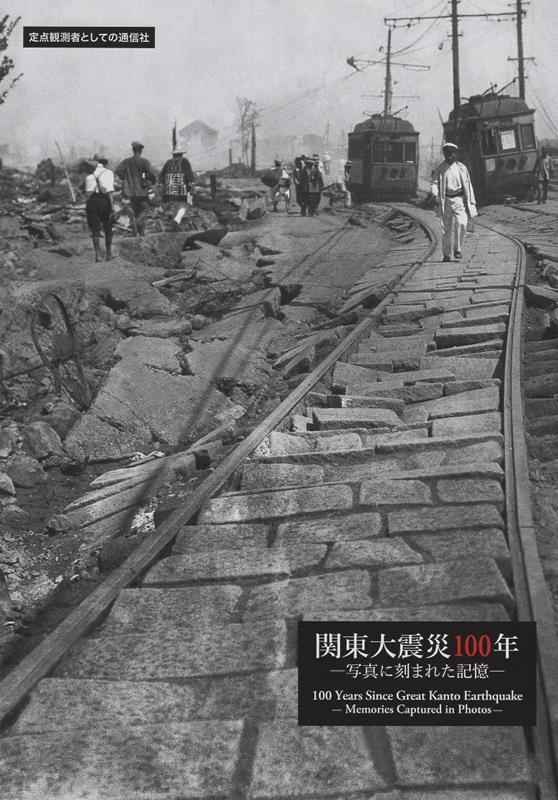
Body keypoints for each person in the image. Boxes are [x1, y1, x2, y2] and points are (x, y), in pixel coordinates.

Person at [430, 142, 477, 262]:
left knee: (462, 223)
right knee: (446, 228)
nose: (449, 156)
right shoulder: (440, 169)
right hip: (445, 201)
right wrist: (435, 194)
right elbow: (434, 183)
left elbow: (468, 185)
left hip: (459, 200)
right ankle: (446, 254)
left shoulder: (462, 168)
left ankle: (458, 249)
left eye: (451, 153)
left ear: (455, 154)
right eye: (447, 154)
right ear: (445, 155)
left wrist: (471, 202)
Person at [115, 141, 157, 236]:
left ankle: (140, 233)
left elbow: (118, 170)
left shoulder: (127, 161)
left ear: (133, 150)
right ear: (141, 150)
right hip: (142, 190)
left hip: (131, 191)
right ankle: (134, 224)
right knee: (145, 209)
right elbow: (150, 174)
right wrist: (151, 181)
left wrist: (125, 179)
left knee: (137, 211)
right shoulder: (144, 162)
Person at [84, 155, 115, 262]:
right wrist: (112, 206)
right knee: (108, 228)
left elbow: (87, 193)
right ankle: (109, 254)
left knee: (95, 229)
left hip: (92, 202)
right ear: (106, 162)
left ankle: (98, 255)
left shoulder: (89, 176)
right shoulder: (109, 173)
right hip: (104, 201)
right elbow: (110, 191)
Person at [159, 147, 195, 227]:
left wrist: (161, 184)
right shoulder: (184, 161)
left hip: (170, 186)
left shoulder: (168, 162)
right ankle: (176, 220)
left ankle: (175, 221)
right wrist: (191, 185)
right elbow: (189, 174)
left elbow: (162, 174)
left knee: (175, 204)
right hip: (180, 184)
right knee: (184, 204)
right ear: (181, 154)